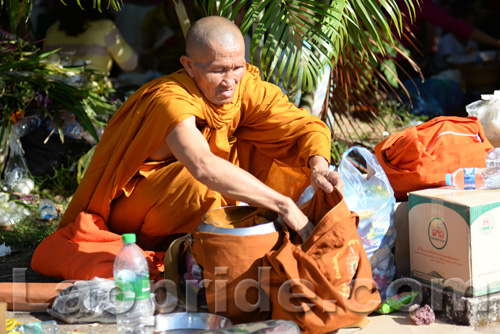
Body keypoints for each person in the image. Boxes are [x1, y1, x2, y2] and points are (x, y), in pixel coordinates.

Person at [32, 16, 343, 280]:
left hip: (205, 201)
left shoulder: (244, 85)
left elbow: (304, 127)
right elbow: (203, 166)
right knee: (198, 184)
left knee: (280, 152)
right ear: (189, 66)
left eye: (237, 67)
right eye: (218, 70)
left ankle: (239, 234)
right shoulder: (171, 100)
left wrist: (318, 167)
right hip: (139, 212)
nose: (229, 81)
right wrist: (284, 205)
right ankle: (205, 251)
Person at [43, 0, 138, 75]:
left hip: (58, 95)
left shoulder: (52, 30)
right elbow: (130, 63)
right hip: (93, 94)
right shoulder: (105, 28)